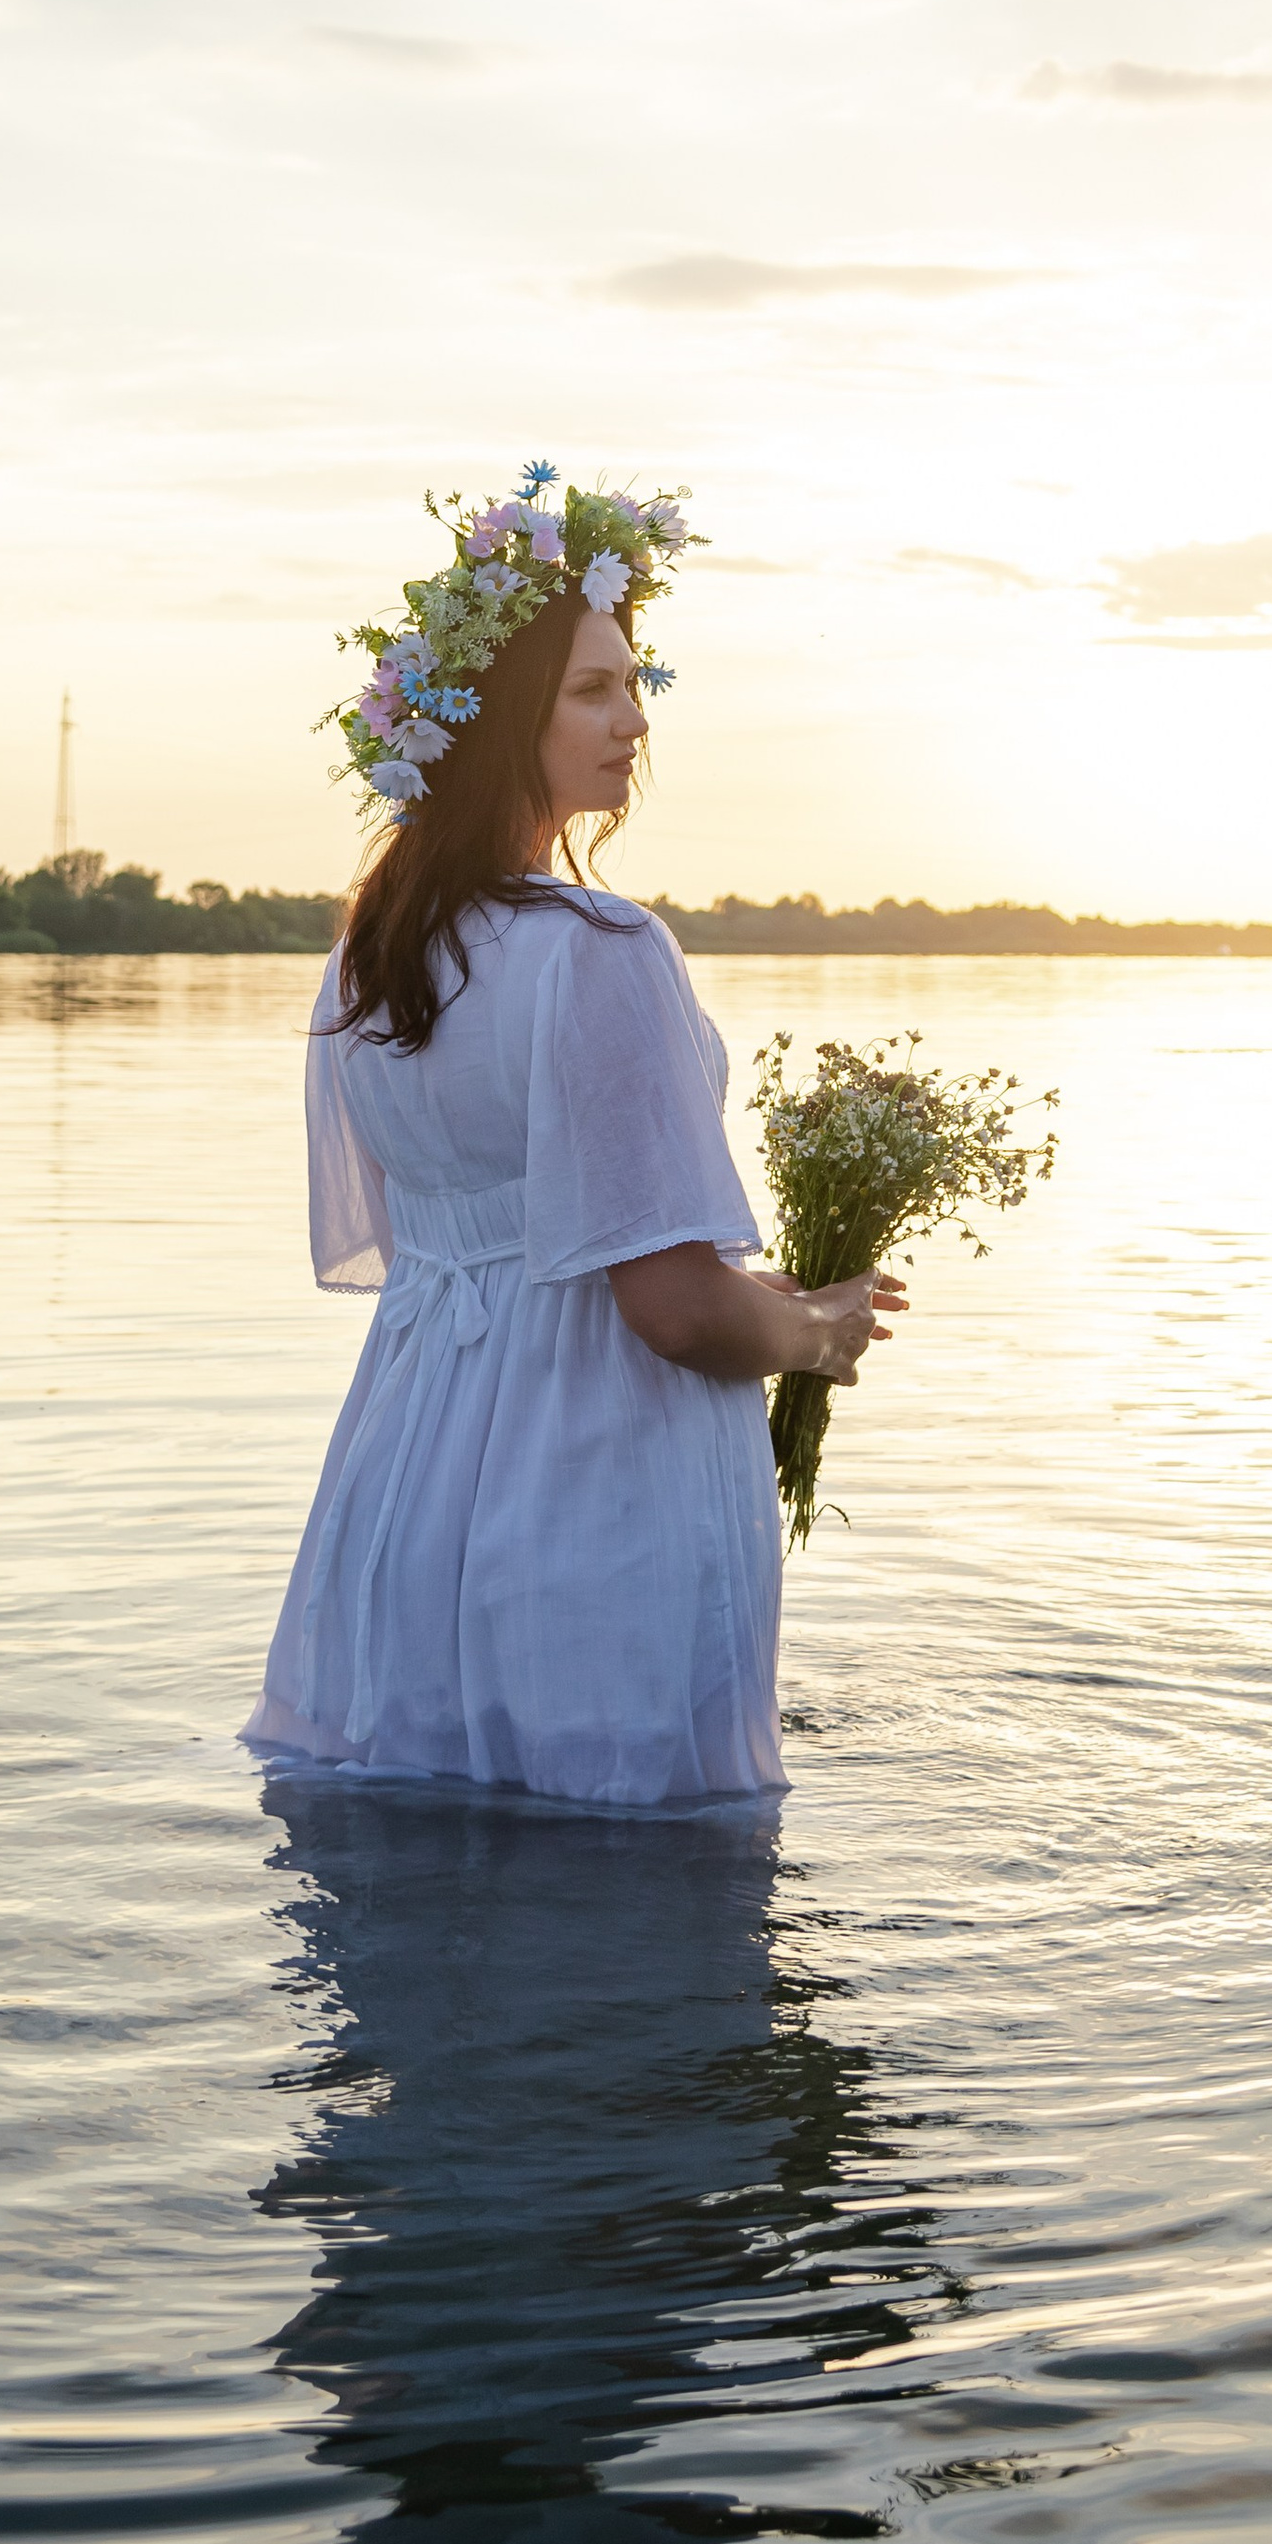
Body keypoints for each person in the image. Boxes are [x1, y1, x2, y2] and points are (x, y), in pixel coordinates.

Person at [240, 467, 898, 1811]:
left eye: (635, 682)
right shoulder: (602, 955)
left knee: (412, 1903)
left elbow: (490, 1235)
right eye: (594, 691)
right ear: (494, 729)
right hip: (590, 1486)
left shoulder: (368, 959)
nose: (634, 721)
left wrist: (749, 1297)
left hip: (406, 1478)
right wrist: (812, 1332)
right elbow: (665, 1305)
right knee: (639, 1905)